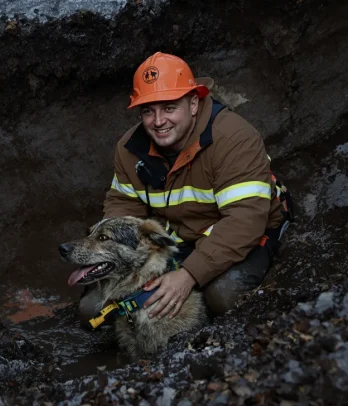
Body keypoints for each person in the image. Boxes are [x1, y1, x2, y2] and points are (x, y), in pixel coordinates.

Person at [77, 52, 293, 327]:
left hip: (247, 230)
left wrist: (188, 275)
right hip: (179, 240)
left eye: (169, 108)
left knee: (223, 296)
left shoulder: (234, 139)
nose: (158, 121)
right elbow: (123, 206)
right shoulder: (129, 148)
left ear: (193, 103)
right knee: (92, 310)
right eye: (148, 111)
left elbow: (245, 220)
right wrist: (121, 261)